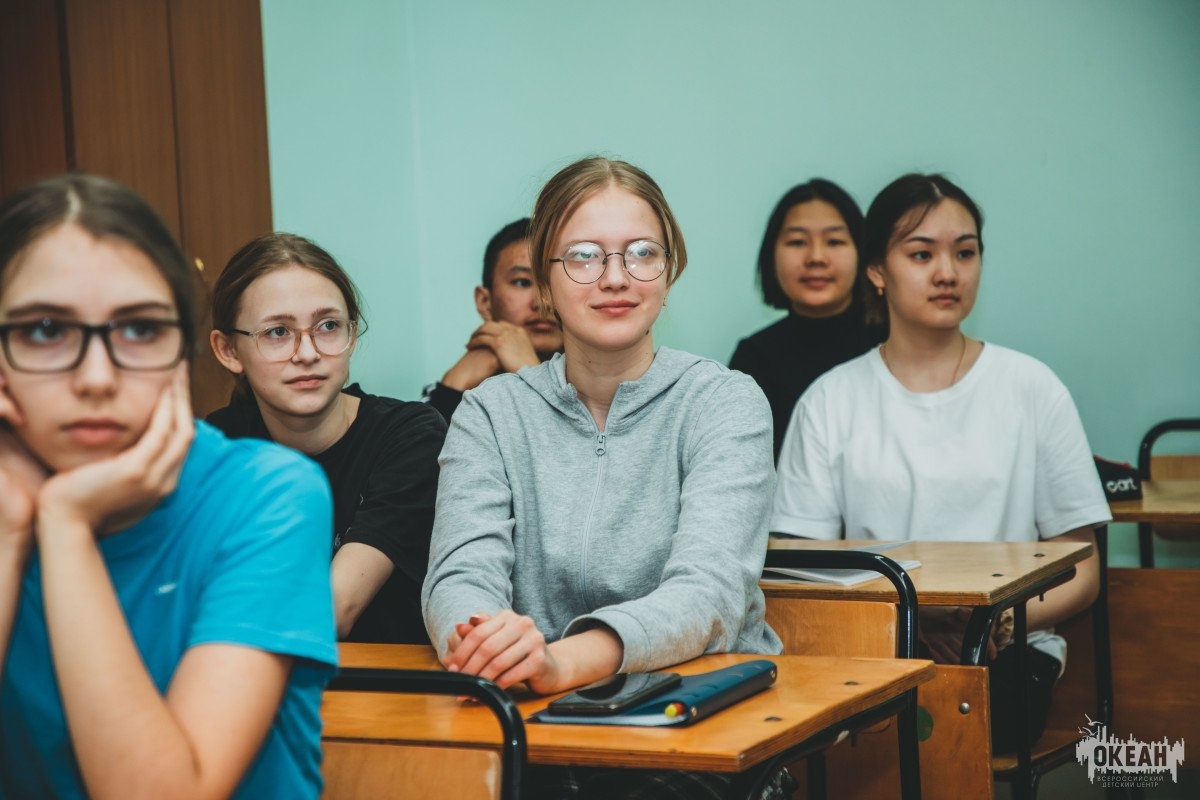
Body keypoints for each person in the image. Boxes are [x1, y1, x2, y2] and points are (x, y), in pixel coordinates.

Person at [422, 156, 784, 799]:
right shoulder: (489, 412)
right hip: (527, 720)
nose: (615, 278)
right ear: (545, 280)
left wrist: (560, 661)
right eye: (584, 256)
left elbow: (708, 596)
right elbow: (460, 572)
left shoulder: (725, 402)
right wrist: (488, 642)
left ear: (669, 272)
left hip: (695, 729)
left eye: (642, 254)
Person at [0, 174, 336, 798]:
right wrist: (10, 531)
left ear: (184, 355)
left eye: (140, 330)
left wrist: (66, 525)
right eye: (47, 330)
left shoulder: (267, 494)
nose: (96, 377)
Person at [770, 173, 1111, 752]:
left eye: (965, 252)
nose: (948, 272)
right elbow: (796, 565)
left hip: (1008, 649)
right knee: (854, 724)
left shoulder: (1030, 387)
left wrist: (997, 618)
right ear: (877, 270)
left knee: (958, 720)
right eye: (922, 253)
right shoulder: (831, 399)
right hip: (874, 646)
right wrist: (908, 617)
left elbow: (1083, 569)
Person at [207, 233, 445, 644]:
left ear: (352, 335)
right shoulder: (218, 446)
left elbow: (332, 612)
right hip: (254, 684)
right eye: (278, 332)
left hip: (392, 692)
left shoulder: (410, 435)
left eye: (328, 326)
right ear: (229, 350)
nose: (307, 352)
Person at [730, 179, 884, 461]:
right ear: (771, 256)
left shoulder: (892, 341)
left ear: (864, 255)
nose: (816, 257)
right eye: (798, 242)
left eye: (835, 241)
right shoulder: (754, 359)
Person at [422, 218, 563, 422]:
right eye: (522, 282)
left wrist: (529, 372)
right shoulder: (453, 389)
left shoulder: (605, 388)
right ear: (485, 301)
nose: (542, 302)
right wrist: (451, 389)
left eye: (554, 283)